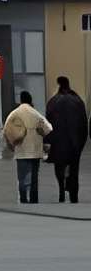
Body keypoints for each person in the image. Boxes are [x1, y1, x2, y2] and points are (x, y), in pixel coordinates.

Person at [2, 90, 52, 204]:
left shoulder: (14, 113)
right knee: (34, 177)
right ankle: (34, 199)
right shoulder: (36, 114)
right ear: (31, 100)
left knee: (22, 177)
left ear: (21, 100)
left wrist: (10, 145)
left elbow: (6, 130)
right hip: (35, 150)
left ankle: (23, 199)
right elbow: (48, 129)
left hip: (21, 150)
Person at [46, 75, 88, 204]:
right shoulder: (78, 102)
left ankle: (61, 191)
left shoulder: (53, 102)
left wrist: (48, 143)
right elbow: (84, 125)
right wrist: (80, 144)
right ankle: (74, 195)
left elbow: (48, 126)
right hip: (75, 143)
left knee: (59, 167)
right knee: (74, 169)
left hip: (58, 143)